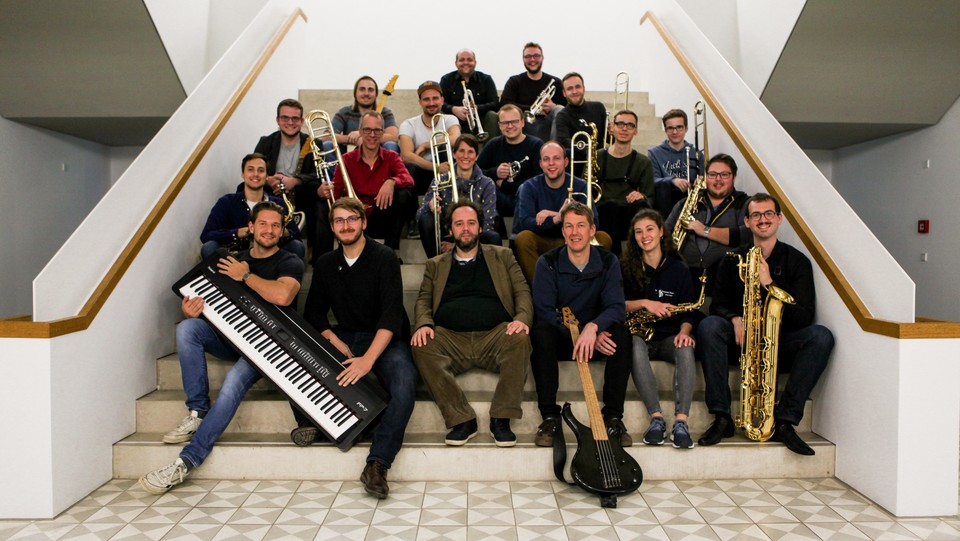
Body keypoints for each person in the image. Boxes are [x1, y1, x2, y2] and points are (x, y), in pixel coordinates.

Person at [140, 201, 304, 494]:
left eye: (276, 225)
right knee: (188, 327)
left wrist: (244, 275)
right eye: (263, 224)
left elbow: (282, 296)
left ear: (282, 231)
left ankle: (186, 461)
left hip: (265, 346)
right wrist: (194, 309)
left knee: (231, 383)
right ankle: (197, 411)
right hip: (231, 339)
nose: (269, 230)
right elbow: (209, 303)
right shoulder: (231, 259)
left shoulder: (289, 261)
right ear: (251, 227)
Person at [294, 197, 418, 498]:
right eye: (339, 221)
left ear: (363, 222)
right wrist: (336, 342)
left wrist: (367, 361)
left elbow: (390, 315)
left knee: (405, 383)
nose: (346, 226)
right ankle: (329, 425)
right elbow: (313, 313)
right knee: (305, 361)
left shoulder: (385, 256)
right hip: (346, 335)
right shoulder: (325, 263)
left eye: (352, 219)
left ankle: (377, 463)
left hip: (385, 337)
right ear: (333, 227)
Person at [697, 193, 834, 455]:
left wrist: (769, 283)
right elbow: (717, 305)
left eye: (769, 214)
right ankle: (722, 417)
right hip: (742, 341)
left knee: (821, 336)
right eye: (756, 215)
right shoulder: (731, 259)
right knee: (710, 326)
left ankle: (785, 421)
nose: (763, 220)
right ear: (747, 221)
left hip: (779, 343)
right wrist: (733, 318)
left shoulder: (797, 262)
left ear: (779, 219)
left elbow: (804, 316)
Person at [410, 200, 532, 447]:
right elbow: (423, 300)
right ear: (451, 230)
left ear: (479, 228)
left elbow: (523, 292)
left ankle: (502, 417)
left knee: (520, 337)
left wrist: (521, 319)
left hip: (495, 336)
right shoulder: (436, 264)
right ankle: (462, 419)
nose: (465, 228)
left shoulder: (503, 256)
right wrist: (423, 324)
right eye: (459, 224)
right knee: (421, 345)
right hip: (451, 339)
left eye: (470, 223)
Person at [529, 201, 632, 448]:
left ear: (592, 230)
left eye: (581, 226)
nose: (575, 232)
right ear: (562, 231)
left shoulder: (608, 261)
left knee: (623, 335)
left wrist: (593, 329)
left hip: (596, 339)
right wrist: (577, 333)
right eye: (568, 226)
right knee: (541, 333)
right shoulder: (548, 262)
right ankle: (550, 418)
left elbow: (616, 307)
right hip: (563, 339)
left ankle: (613, 418)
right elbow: (544, 311)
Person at [621, 208, 698, 449]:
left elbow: (689, 311)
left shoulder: (679, 269)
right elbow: (616, 303)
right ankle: (656, 417)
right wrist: (645, 303)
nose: (645, 236)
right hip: (640, 336)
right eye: (638, 232)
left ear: (661, 231)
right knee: (632, 344)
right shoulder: (626, 267)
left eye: (650, 229)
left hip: (668, 337)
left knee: (685, 348)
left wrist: (685, 332)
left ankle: (681, 422)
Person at [318, 111, 416, 256]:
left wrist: (391, 182)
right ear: (360, 132)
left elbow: (409, 179)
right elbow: (336, 192)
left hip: (380, 215)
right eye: (367, 129)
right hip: (354, 217)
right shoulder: (346, 159)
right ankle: (323, 259)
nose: (372, 134)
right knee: (321, 204)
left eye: (377, 130)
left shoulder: (391, 156)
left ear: (382, 133)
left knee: (403, 194)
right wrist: (323, 192)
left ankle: (391, 251)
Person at [513, 141, 612, 283]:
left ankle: (589, 287)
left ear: (566, 162)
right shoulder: (529, 187)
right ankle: (541, 289)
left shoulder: (580, 185)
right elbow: (524, 223)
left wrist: (556, 215)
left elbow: (593, 221)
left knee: (603, 238)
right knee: (523, 238)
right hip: (543, 239)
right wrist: (556, 218)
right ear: (540, 164)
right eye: (546, 159)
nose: (551, 163)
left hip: (572, 238)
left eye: (556, 158)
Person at [664, 153, 750, 290]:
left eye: (724, 175)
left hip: (724, 278)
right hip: (685, 273)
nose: (718, 180)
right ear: (706, 178)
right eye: (712, 174)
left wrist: (705, 230)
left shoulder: (745, 203)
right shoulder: (685, 203)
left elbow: (745, 235)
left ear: (734, 177)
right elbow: (665, 232)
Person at [199, 153, 304, 261]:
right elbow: (206, 235)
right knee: (208, 248)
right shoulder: (226, 202)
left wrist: (284, 232)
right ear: (242, 174)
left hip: (271, 260)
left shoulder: (279, 203)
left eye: (261, 170)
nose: (255, 174)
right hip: (236, 259)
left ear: (267, 176)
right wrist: (237, 233)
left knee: (297, 246)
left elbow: (297, 238)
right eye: (250, 169)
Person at [416, 134, 500, 258]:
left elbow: (487, 224)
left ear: (476, 156)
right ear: (454, 154)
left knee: (493, 237)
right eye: (461, 151)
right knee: (426, 218)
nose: (465, 156)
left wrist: (456, 245)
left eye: (470, 152)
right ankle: (436, 265)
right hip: (447, 232)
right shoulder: (440, 180)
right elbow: (419, 217)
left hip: (473, 233)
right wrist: (430, 206)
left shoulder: (487, 183)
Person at [253, 99, 320, 248]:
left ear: (302, 121)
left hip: (302, 194)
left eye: (295, 118)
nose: (290, 122)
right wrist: (268, 179)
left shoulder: (314, 143)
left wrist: (295, 180)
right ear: (278, 120)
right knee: (244, 189)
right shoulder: (266, 142)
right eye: (285, 118)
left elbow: (319, 174)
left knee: (318, 197)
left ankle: (314, 251)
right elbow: (254, 169)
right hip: (272, 192)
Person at [595, 110, 654, 256]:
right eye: (620, 124)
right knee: (610, 207)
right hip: (604, 213)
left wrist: (641, 196)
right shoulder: (597, 156)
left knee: (641, 205)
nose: (624, 128)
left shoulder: (643, 162)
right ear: (612, 128)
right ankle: (614, 262)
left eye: (630, 125)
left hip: (630, 214)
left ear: (636, 131)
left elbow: (650, 198)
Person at [476, 104, 544, 227]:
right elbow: (475, 172)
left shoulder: (536, 145)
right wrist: (495, 172)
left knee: (530, 188)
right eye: (505, 123)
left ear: (523, 122)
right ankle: (494, 227)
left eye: (514, 121)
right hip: (497, 198)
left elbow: (539, 179)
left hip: (525, 199)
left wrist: (506, 185)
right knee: (486, 185)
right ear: (499, 126)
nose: (510, 126)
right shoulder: (493, 144)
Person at [399, 81, 463, 195]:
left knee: (444, 149)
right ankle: (414, 211)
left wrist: (426, 145)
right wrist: (436, 167)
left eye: (435, 98)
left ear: (442, 100)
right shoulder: (408, 124)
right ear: (420, 102)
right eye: (426, 99)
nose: (431, 103)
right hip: (422, 173)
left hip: (446, 172)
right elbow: (406, 156)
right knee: (410, 167)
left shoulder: (450, 119)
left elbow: (455, 139)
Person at [500, 42, 566, 142]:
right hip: (523, 124)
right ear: (523, 59)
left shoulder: (555, 82)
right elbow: (505, 104)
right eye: (528, 56)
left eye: (536, 56)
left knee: (559, 109)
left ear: (542, 58)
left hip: (548, 124)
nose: (532, 59)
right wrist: (533, 109)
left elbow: (567, 108)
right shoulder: (514, 81)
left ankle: (555, 148)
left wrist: (554, 106)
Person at [647, 108, 703, 219]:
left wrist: (700, 180)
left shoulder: (696, 153)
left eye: (679, 127)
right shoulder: (654, 153)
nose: (675, 132)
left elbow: (702, 177)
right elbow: (652, 180)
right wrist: (672, 180)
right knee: (662, 187)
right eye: (670, 128)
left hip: (689, 197)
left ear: (686, 128)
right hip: (665, 198)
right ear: (665, 130)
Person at [553, 72, 607, 177]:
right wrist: (588, 150)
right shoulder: (562, 115)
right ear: (564, 93)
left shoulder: (599, 107)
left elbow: (608, 138)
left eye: (578, 87)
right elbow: (563, 141)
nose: (574, 91)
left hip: (600, 163)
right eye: (570, 89)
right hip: (578, 165)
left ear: (584, 88)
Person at [331, 75, 401, 154]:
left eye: (370, 90)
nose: (366, 93)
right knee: (328, 145)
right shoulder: (344, 112)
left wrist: (363, 136)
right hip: (350, 158)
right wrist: (351, 138)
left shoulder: (385, 113)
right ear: (355, 93)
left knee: (391, 145)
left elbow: (393, 137)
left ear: (376, 94)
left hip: (378, 158)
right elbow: (327, 136)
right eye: (362, 89)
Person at [439, 49, 500, 139]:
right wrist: (453, 109)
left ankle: (491, 148)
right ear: (456, 63)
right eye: (462, 60)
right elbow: (440, 103)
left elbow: (495, 103)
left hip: (481, 121)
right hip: (455, 123)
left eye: (469, 60)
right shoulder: (446, 80)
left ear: (475, 62)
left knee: (492, 115)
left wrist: (477, 108)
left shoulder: (486, 79)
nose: (466, 62)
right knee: (440, 114)